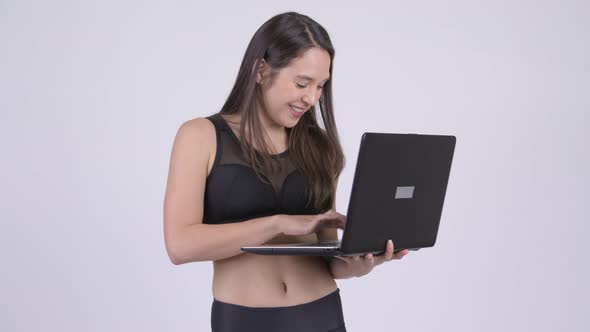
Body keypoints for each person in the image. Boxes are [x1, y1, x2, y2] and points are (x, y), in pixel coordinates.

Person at [163, 12, 409, 332]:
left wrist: (360, 264)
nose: (311, 98)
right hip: (244, 320)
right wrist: (278, 224)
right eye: (302, 83)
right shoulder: (200, 136)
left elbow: (329, 258)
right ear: (261, 70)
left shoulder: (319, 146)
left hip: (322, 315)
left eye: (321, 86)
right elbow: (180, 245)